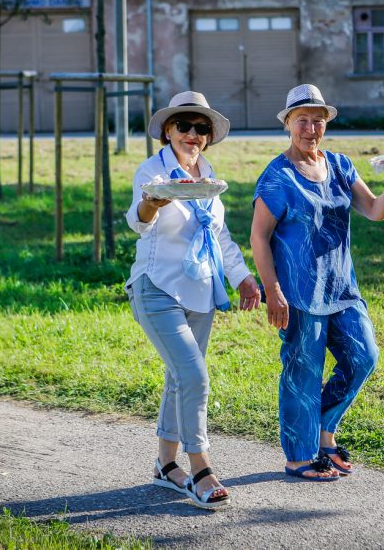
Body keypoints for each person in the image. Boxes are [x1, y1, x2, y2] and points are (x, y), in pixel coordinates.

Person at [250, 84, 384, 481]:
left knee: (364, 356)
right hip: (298, 294)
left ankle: (324, 432)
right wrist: (272, 291)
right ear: (288, 125)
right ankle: (299, 456)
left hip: (341, 288)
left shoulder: (342, 166)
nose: (311, 129)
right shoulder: (277, 178)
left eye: (318, 121)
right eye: (302, 121)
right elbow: (259, 237)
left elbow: (376, 211)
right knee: (303, 373)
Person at [125, 91, 261, 509]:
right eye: (184, 125)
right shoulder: (152, 171)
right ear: (168, 131)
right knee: (195, 377)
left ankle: (166, 465)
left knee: (179, 377)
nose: (193, 134)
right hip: (157, 288)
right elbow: (137, 222)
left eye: (201, 128)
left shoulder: (208, 177)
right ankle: (200, 465)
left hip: (201, 290)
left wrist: (242, 277)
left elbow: (218, 234)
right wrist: (151, 203)